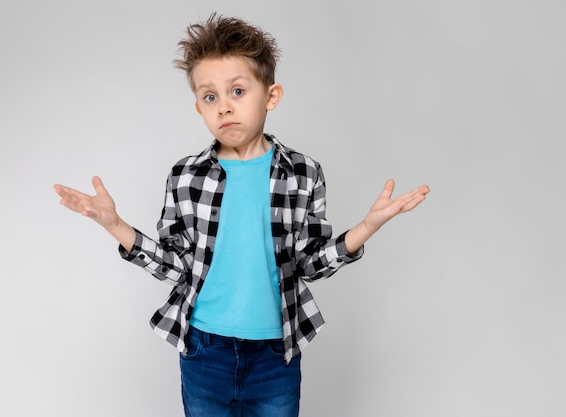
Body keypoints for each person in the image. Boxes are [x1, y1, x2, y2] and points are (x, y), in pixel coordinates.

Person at [54, 13, 429, 417]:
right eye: (210, 96)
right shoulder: (186, 176)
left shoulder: (303, 172)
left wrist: (367, 227)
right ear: (198, 106)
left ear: (271, 96)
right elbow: (175, 265)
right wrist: (115, 225)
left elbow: (310, 262)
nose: (224, 107)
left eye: (237, 90)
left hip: (275, 355)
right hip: (204, 351)